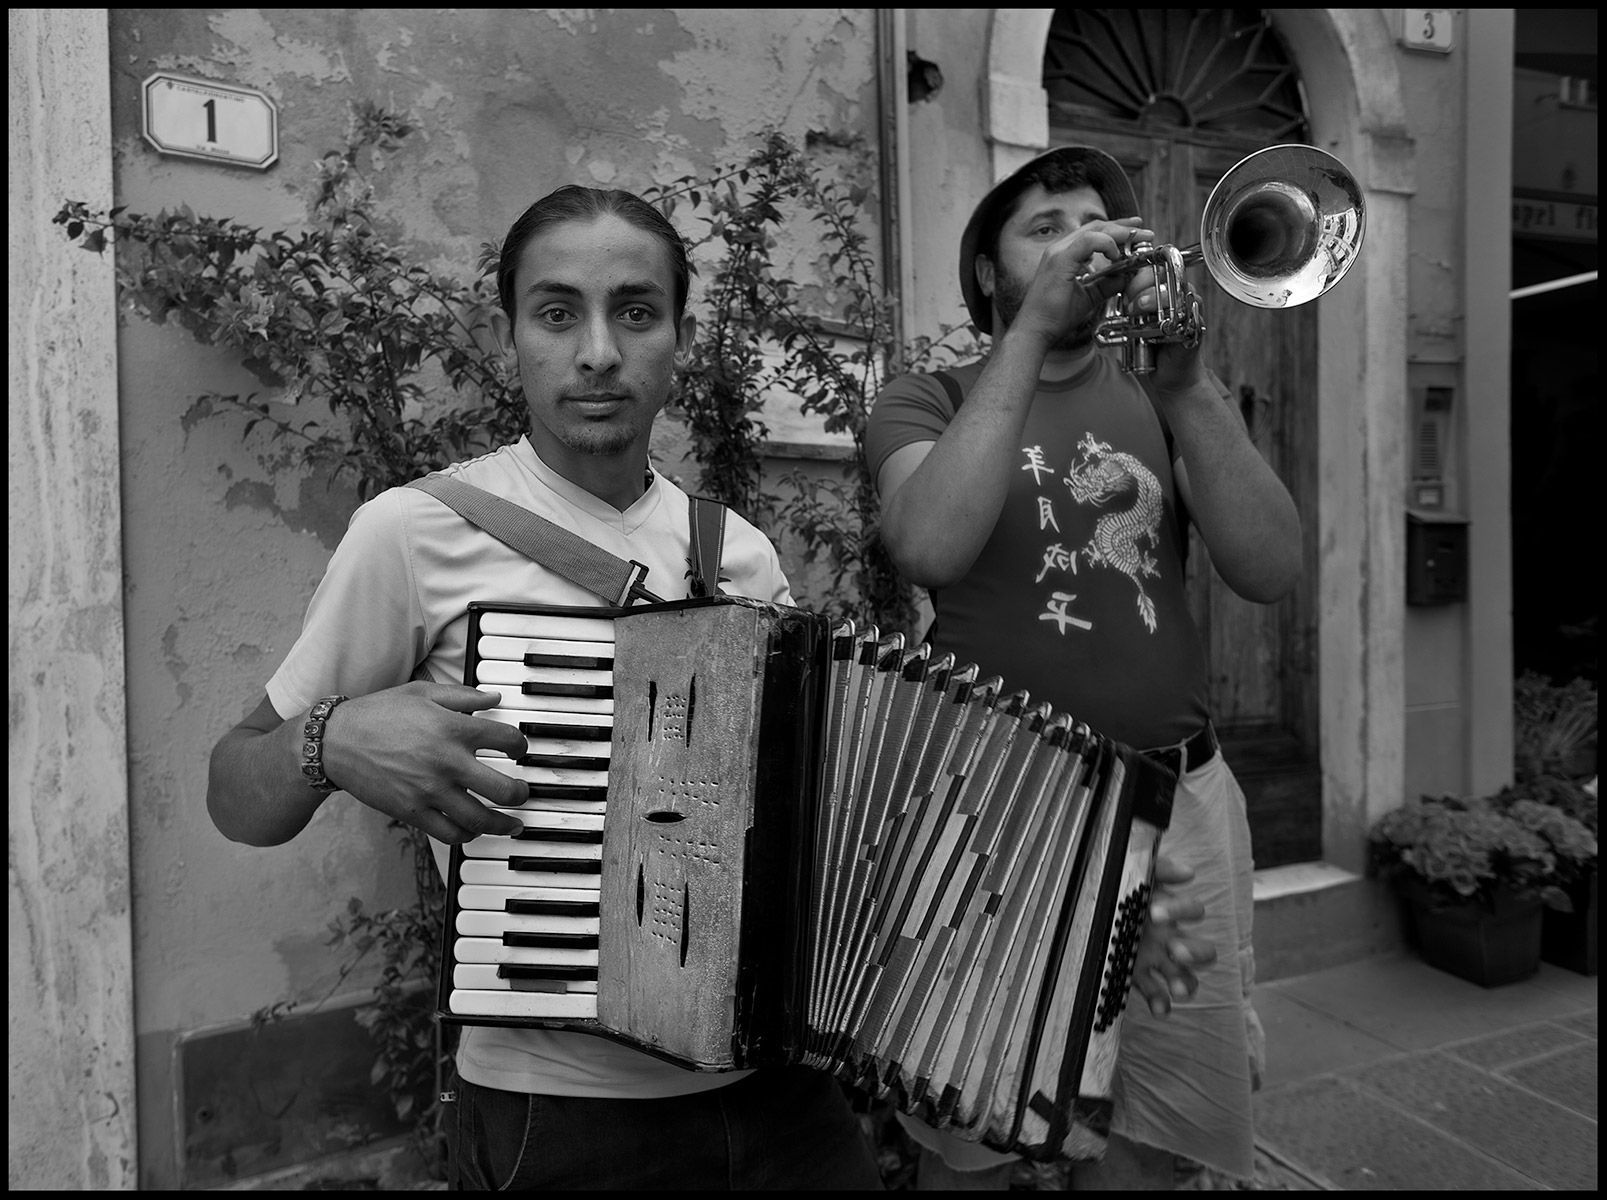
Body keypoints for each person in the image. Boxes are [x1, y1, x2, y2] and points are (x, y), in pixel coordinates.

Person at [205, 184, 886, 1190]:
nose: (598, 352)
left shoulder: (735, 551)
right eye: (558, 313)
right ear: (509, 336)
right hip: (557, 1119)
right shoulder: (415, 532)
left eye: (635, 312)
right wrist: (330, 739)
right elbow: (235, 793)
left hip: (784, 1101)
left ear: (681, 338)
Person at [865, 146, 1299, 1189]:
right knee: (966, 1132)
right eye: (1044, 228)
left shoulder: (1163, 396)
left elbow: (1270, 567)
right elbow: (927, 546)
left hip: (1173, 815)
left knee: (1157, 1137)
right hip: (991, 816)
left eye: (1094, 222)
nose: (1079, 242)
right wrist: (1027, 337)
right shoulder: (926, 397)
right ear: (988, 272)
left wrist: (1186, 386)